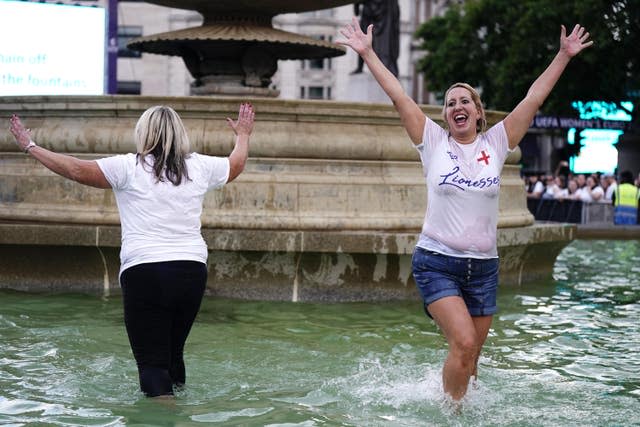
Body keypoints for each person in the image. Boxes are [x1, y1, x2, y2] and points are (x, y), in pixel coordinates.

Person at [337, 18, 592, 401]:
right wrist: (368, 53)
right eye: (450, 102)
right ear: (445, 116)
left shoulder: (499, 141)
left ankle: (460, 405)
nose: (457, 106)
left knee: (471, 355)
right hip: (436, 260)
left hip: (484, 268)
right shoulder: (433, 142)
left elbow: (533, 98)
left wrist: (563, 56)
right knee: (464, 340)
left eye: (464, 101)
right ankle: (451, 417)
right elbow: (399, 97)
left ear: (477, 112)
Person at [8, 103, 255, 398]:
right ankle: (176, 412)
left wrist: (30, 146)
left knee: (152, 365)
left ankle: (164, 419)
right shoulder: (199, 166)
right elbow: (235, 164)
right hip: (191, 271)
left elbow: (75, 169)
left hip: (145, 271)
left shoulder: (128, 167)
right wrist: (243, 135)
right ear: (180, 133)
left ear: (143, 133)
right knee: (173, 354)